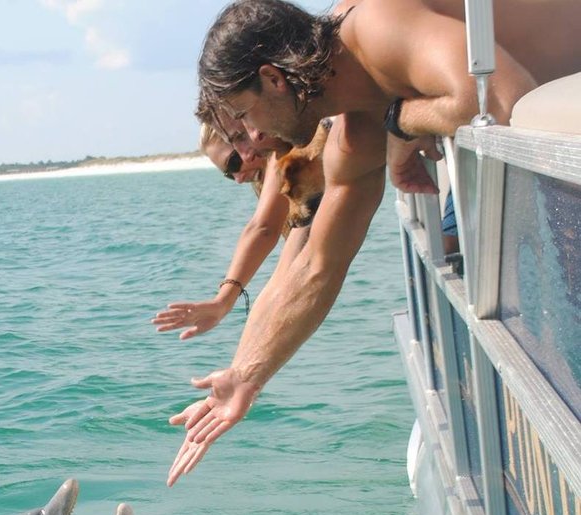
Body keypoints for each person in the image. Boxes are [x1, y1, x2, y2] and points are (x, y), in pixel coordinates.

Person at [167, 0, 581, 486]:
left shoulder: (375, 25)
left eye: (244, 115)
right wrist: (245, 375)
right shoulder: (355, 126)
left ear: (274, 78)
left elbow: (500, 97)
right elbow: (317, 264)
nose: (254, 140)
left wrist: (403, 122)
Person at [152, 123, 294, 341]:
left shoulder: (283, 152)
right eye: (229, 175)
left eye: (234, 163)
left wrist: (223, 301)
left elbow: (264, 228)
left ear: (250, 136)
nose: (238, 178)